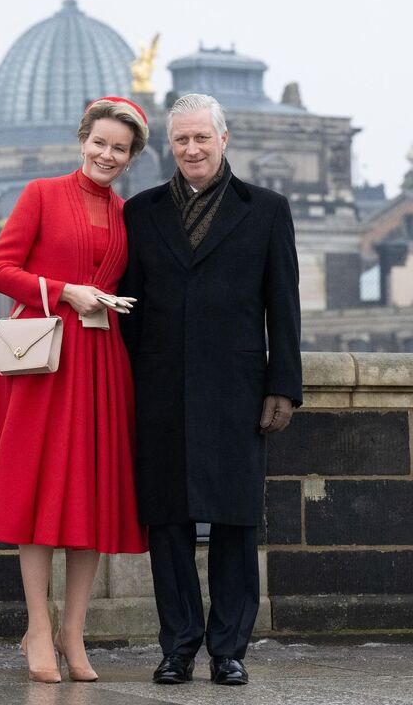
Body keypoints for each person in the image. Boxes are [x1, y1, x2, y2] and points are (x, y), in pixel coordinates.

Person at [0, 97, 149, 684]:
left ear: (132, 156)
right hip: (43, 363)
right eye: (100, 143)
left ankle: (73, 632)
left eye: (120, 149)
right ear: (81, 140)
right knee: (34, 495)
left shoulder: (125, 213)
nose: (107, 155)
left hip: (101, 361)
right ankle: (38, 626)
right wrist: (64, 290)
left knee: (92, 496)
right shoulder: (41, 193)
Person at [119, 93, 302, 686]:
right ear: (169, 147)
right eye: (181, 140)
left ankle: (229, 648)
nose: (192, 149)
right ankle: (178, 646)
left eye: (202, 138)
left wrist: (284, 386)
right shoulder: (140, 211)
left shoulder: (268, 209)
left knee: (235, 520)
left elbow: (285, 307)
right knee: (166, 523)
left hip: (238, 387)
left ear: (224, 140)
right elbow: (130, 312)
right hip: (161, 388)